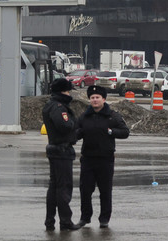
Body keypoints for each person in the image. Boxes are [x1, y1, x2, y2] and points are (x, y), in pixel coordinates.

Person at [78, 85, 130, 228]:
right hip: (88, 158)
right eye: (92, 98)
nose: (95, 100)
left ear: (104, 99)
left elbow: (125, 132)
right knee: (85, 190)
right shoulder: (84, 116)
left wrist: (111, 132)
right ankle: (85, 217)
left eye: (97, 98)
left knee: (105, 191)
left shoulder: (112, 115)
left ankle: (104, 219)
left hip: (105, 159)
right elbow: (77, 132)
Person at [42, 78, 83, 231]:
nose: (69, 93)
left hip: (55, 149)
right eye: (67, 91)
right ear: (62, 91)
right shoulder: (59, 107)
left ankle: (50, 221)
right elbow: (64, 126)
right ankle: (65, 221)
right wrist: (74, 124)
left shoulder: (51, 105)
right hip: (62, 150)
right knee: (63, 187)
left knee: (54, 187)